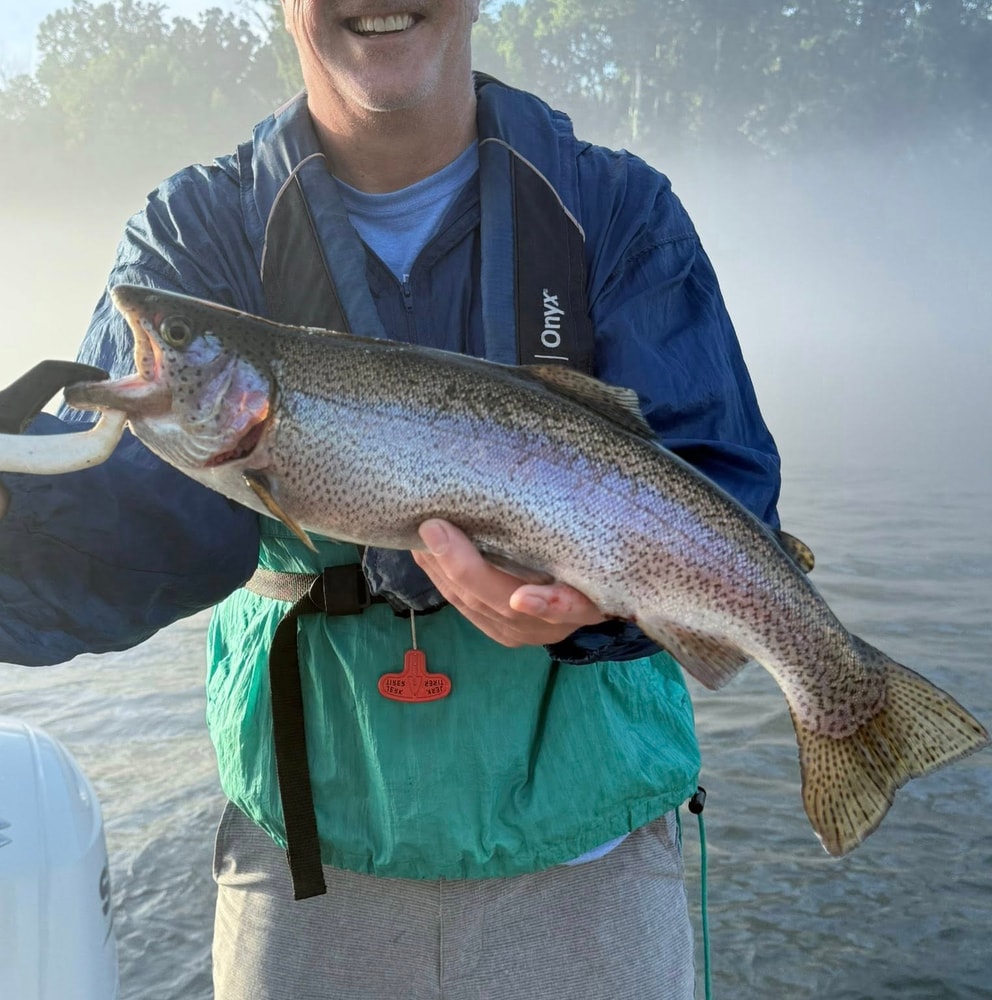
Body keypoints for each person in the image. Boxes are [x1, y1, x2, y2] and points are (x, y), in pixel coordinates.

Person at [0, 2, 781, 997]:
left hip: (591, 860)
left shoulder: (617, 207)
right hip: (308, 866)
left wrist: (595, 611)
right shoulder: (193, 232)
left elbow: (720, 492)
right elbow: (136, 537)